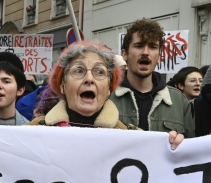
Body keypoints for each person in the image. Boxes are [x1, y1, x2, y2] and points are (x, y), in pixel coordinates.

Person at [25, 42, 184, 149]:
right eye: (79, 71)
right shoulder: (30, 134)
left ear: (109, 88)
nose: (89, 79)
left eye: (99, 72)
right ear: (62, 85)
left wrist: (170, 150)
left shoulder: (134, 140)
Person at [110, 19, 194, 137]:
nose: (145, 52)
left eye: (153, 47)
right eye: (139, 46)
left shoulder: (178, 100)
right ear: (125, 54)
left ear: (159, 56)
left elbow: (189, 147)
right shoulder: (107, 95)